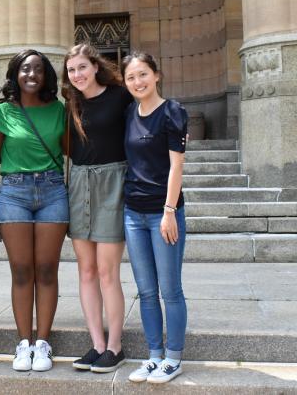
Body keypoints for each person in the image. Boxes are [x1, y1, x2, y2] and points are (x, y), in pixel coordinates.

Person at [0, 49, 69, 372]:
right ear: (16, 74)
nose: (31, 74)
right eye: (25, 69)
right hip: (14, 192)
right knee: (22, 270)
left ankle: (43, 343)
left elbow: (69, 151)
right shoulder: (3, 112)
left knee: (47, 270)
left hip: (53, 190)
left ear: (46, 75)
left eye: (38, 69)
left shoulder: (58, 110)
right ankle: (24, 343)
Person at [61, 44, 134, 373]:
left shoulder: (120, 96)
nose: (77, 75)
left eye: (81, 67)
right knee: (86, 271)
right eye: (71, 70)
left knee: (108, 272)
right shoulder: (70, 103)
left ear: (95, 66)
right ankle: (97, 344)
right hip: (79, 184)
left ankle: (115, 346)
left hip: (112, 183)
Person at [121, 52, 188, 384]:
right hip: (133, 214)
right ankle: (154, 356)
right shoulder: (130, 112)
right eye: (131, 77)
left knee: (170, 290)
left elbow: (177, 165)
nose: (138, 82)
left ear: (156, 75)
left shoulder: (172, 112)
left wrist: (169, 211)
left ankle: (173, 358)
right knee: (145, 291)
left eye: (143, 74)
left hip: (163, 213)